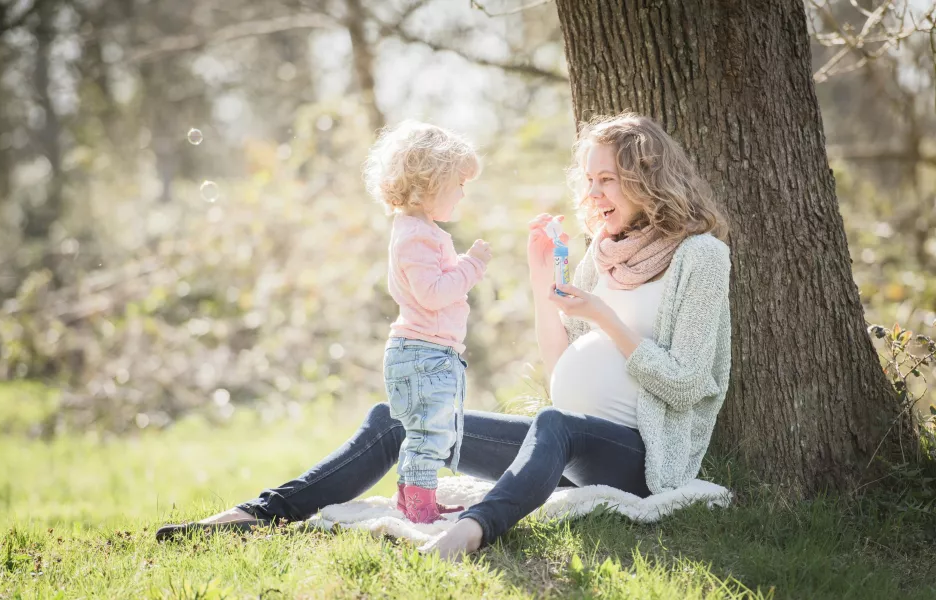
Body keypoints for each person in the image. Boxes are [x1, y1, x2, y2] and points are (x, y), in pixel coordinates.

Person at [156, 113, 731, 562]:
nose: (594, 193)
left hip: (636, 457)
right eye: (589, 179)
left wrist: (604, 316)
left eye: (609, 179)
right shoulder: (600, 255)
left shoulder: (699, 257)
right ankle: (262, 514)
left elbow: (690, 386)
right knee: (400, 416)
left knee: (553, 425)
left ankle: (472, 531)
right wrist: (539, 281)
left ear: (645, 178)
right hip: (559, 449)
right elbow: (562, 370)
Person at [366, 120, 492, 523]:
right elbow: (433, 293)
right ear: (428, 184)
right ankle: (420, 508)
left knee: (423, 429)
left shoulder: (418, 230)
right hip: (425, 353)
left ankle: (412, 499)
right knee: (430, 433)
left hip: (425, 351)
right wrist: (472, 266)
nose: (462, 193)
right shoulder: (417, 235)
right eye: (457, 183)